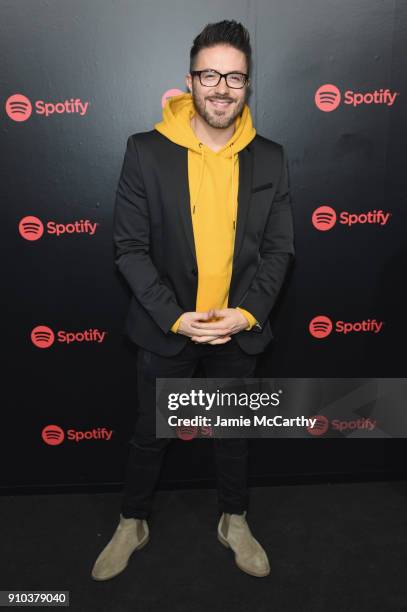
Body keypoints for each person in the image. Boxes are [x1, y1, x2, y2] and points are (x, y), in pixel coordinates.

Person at [91, 19, 295, 581]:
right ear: (189, 80)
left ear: (247, 85)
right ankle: (133, 520)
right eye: (210, 74)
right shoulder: (145, 151)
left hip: (239, 328)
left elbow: (279, 251)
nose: (221, 87)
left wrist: (246, 313)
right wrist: (177, 318)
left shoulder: (271, 157)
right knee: (148, 432)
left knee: (233, 435)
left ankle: (235, 518)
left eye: (234, 77)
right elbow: (129, 249)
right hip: (166, 328)